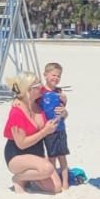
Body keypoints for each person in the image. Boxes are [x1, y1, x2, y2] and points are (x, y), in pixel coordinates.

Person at [3, 71, 62, 194]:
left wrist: (63, 108)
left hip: (37, 153)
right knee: (47, 169)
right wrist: (44, 132)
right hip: (17, 155)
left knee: (56, 187)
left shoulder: (38, 101)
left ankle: (30, 177)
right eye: (37, 85)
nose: (41, 87)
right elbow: (21, 144)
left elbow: (56, 92)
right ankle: (18, 178)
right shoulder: (17, 112)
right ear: (29, 90)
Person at [35, 62, 70, 190]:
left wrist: (65, 105)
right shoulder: (40, 92)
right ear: (45, 75)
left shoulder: (59, 92)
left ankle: (65, 182)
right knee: (52, 157)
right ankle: (55, 181)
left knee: (62, 157)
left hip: (60, 128)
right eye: (53, 75)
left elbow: (62, 109)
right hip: (47, 130)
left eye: (58, 76)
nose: (56, 78)